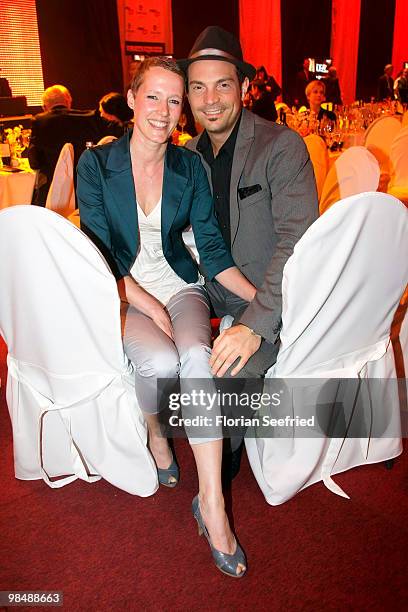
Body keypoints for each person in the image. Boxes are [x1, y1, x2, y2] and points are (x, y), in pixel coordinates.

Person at [77, 56, 258, 578]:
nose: (164, 110)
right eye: (152, 96)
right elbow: (101, 255)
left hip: (181, 287)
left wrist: (266, 303)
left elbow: (213, 253)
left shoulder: (188, 166)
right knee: (156, 363)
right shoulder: (98, 164)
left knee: (198, 357)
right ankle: (157, 432)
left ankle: (214, 506)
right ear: (131, 100)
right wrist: (148, 306)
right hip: (125, 290)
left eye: (175, 100)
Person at [179, 26, 318, 479]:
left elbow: (296, 245)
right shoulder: (188, 153)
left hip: (263, 297)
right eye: (198, 87)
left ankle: (227, 449)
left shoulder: (280, 145)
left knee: (220, 382)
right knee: (148, 354)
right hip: (206, 291)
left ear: (243, 87)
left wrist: (255, 325)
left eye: (223, 84)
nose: (211, 99)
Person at [28, 85, 122, 205]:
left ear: (44, 106)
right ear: (68, 100)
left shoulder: (39, 121)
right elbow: (118, 133)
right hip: (86, 188)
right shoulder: (90, 117)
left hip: (52, 191)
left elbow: (34, 162)